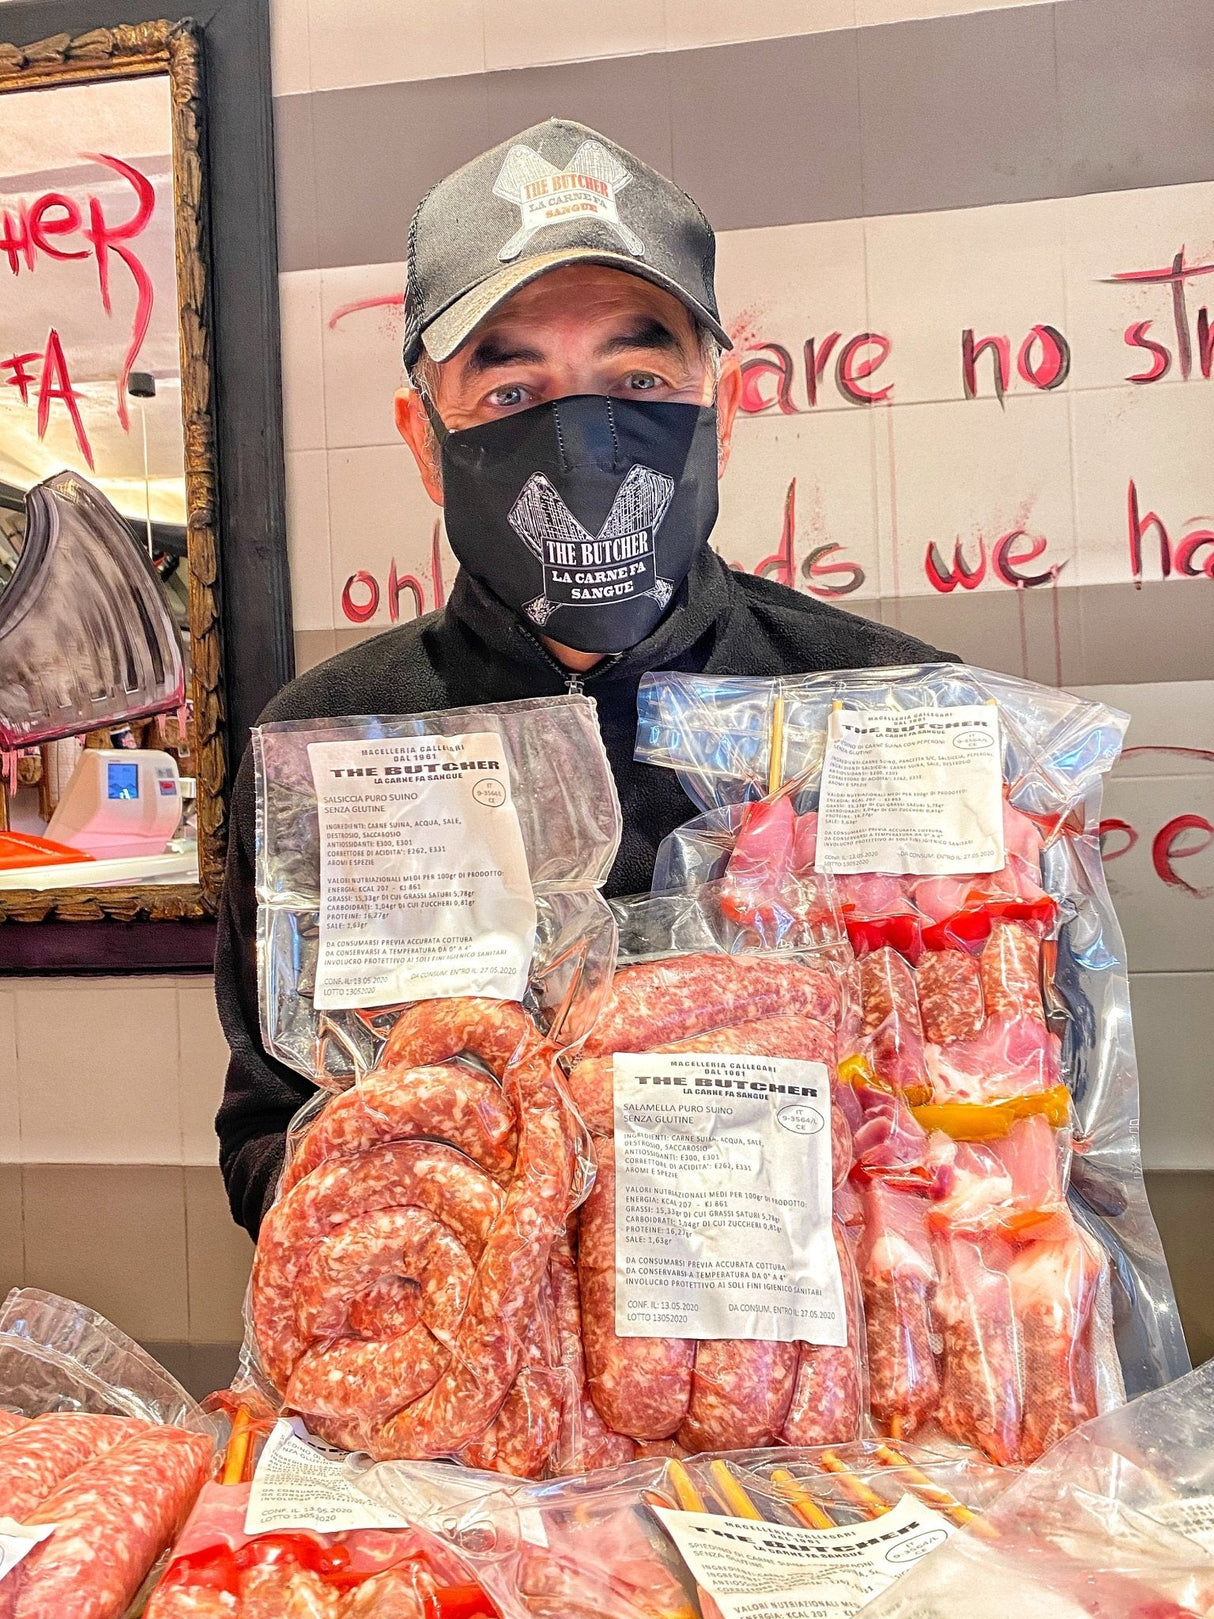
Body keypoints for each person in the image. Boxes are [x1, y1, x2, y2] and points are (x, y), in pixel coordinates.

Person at [216, 118, 947, 1236]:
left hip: (822, 1393)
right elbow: (266, 1132)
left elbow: (994, 1110)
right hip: (467, 1378)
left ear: (723, 408)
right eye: (511, 394)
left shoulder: (890, 710)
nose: (583, 442)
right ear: (423, 438)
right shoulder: (330, 740)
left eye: (638, 375)